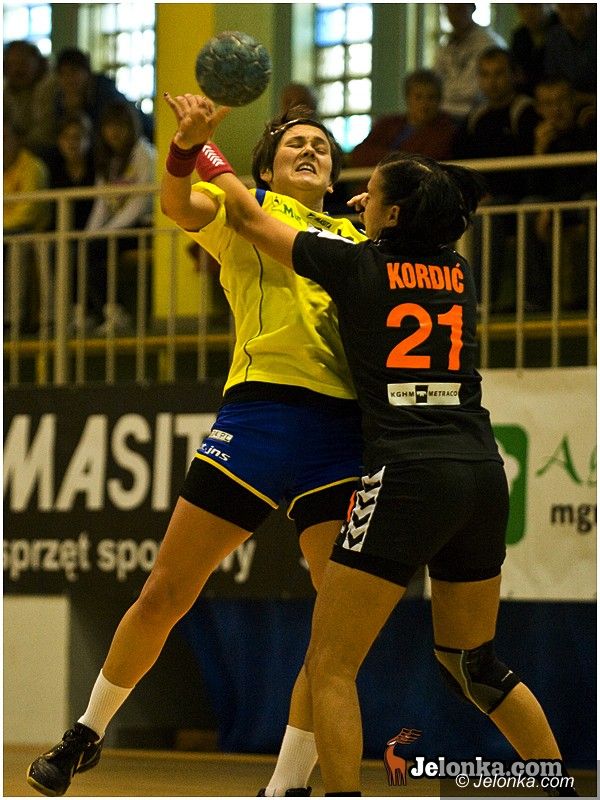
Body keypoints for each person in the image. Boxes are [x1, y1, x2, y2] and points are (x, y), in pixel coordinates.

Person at [169, 97, 577, 798]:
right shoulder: (458, 271)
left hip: (408, 473)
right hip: (481, 471)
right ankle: (558, 788)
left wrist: (203, 149)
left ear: (391, 217)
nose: (358, 197)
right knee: (474, 663)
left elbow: (248, 215)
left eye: (372, 193)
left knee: (330, 662)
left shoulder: (358, 267)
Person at [26, 99, 366, 797]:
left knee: (336, 630)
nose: (310, 150)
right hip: (260, 415)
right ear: (266, 171)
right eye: (295, 144)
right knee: (166, 590)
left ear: (334, 175)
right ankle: (88, 731)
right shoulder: (249, 211)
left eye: (321, 146)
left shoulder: (357, 238)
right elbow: (177, 203)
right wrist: (185, 147)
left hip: (340, 432)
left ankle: (284, 785)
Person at [453, 46, 539, 308]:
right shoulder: (475, 118)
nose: (492, 81)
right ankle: (476, 302)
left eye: (499, 73)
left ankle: (508, 299)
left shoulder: (526, 112)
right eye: (485, 74)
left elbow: (529, 164)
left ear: (514, 75)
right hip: (485, 200)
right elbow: (463, 164)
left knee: (492, 213)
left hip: (520, 197)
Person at [80, 100, 156, 335]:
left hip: (142, 225)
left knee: (97, 249)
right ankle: (91, 312)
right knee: (82, 248)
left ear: (130, 127)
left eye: (120, 126)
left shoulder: (144, 154)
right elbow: (101, 203)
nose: (114, 132)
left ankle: (115, 311)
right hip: (117, 227)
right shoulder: (109, 160)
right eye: (109, 126)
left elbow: (139, 204)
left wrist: (105, 232)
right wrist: (89, 234)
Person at [523, 78, 596, 310]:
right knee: (529, 207)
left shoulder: (589, 130)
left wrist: (554, 206)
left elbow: (590, 181)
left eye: (561, 101)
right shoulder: (536, 136)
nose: (556, 109)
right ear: (539, 109)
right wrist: (539, 154)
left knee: (591, 204)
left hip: (581, 202)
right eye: (548, 103)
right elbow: (530, 189)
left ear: (573, 102)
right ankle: (539, 298)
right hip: (552, 207)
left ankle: (592, 294)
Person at [349, 69, 458, 169]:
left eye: (431, 97)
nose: (424, 104)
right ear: (407, 98)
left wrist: (387, 158)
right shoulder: (387, 124)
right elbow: (359, 154)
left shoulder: (446, 129)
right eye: (418, 97)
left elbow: (423, 161)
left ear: (439, 100)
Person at [4, 115, 51, 332]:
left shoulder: (33, 167)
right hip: (6, 232)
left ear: (18, 140)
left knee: (17, 247)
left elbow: (29, 210)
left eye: (5, 138)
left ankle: (12, 318)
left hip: (30, 231)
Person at [432, 3, 506, 119]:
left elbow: (483, 88)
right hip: (444, 113)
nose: (454, 15)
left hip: (476, 113)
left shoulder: (488, 43)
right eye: (449, 10)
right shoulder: (445, 47)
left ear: (472, 8)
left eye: (459, 9)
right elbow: (435, 80)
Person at [3, 40, 57, 155]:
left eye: (23, 63)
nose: (17, 69)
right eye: (11, 64)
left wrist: (14, 142)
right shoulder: (8, 91)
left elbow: (44, 133)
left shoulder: (49, 87)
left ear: (38, 63)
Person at [543, 4, 596, 110]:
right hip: (568, 105)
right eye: (562, 9)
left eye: (574, 7)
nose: (568, 15)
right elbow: (553, 79)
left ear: (590, 7)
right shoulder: (555, 37)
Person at [509, 4, 559, 97]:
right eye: (522, 7)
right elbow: (518, 73)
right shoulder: (519, 36)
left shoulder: (560, 29)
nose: (528, 12)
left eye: (534, 5)